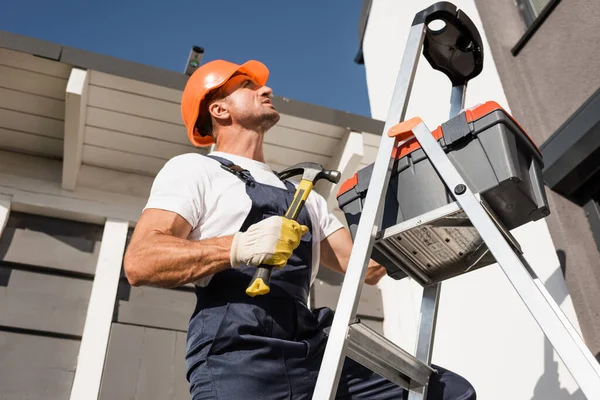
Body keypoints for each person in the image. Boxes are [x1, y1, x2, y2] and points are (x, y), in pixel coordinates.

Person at [124, 59, 476, 400]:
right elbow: (141, 261)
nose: (267, 89)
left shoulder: (305, 196)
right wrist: (237, 247)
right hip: (238, 351)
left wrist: (416, 193)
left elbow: (368, 268)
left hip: (311, 344)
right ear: (219, 110)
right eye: (248, 86)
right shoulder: (195, 170)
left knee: (446, 392)